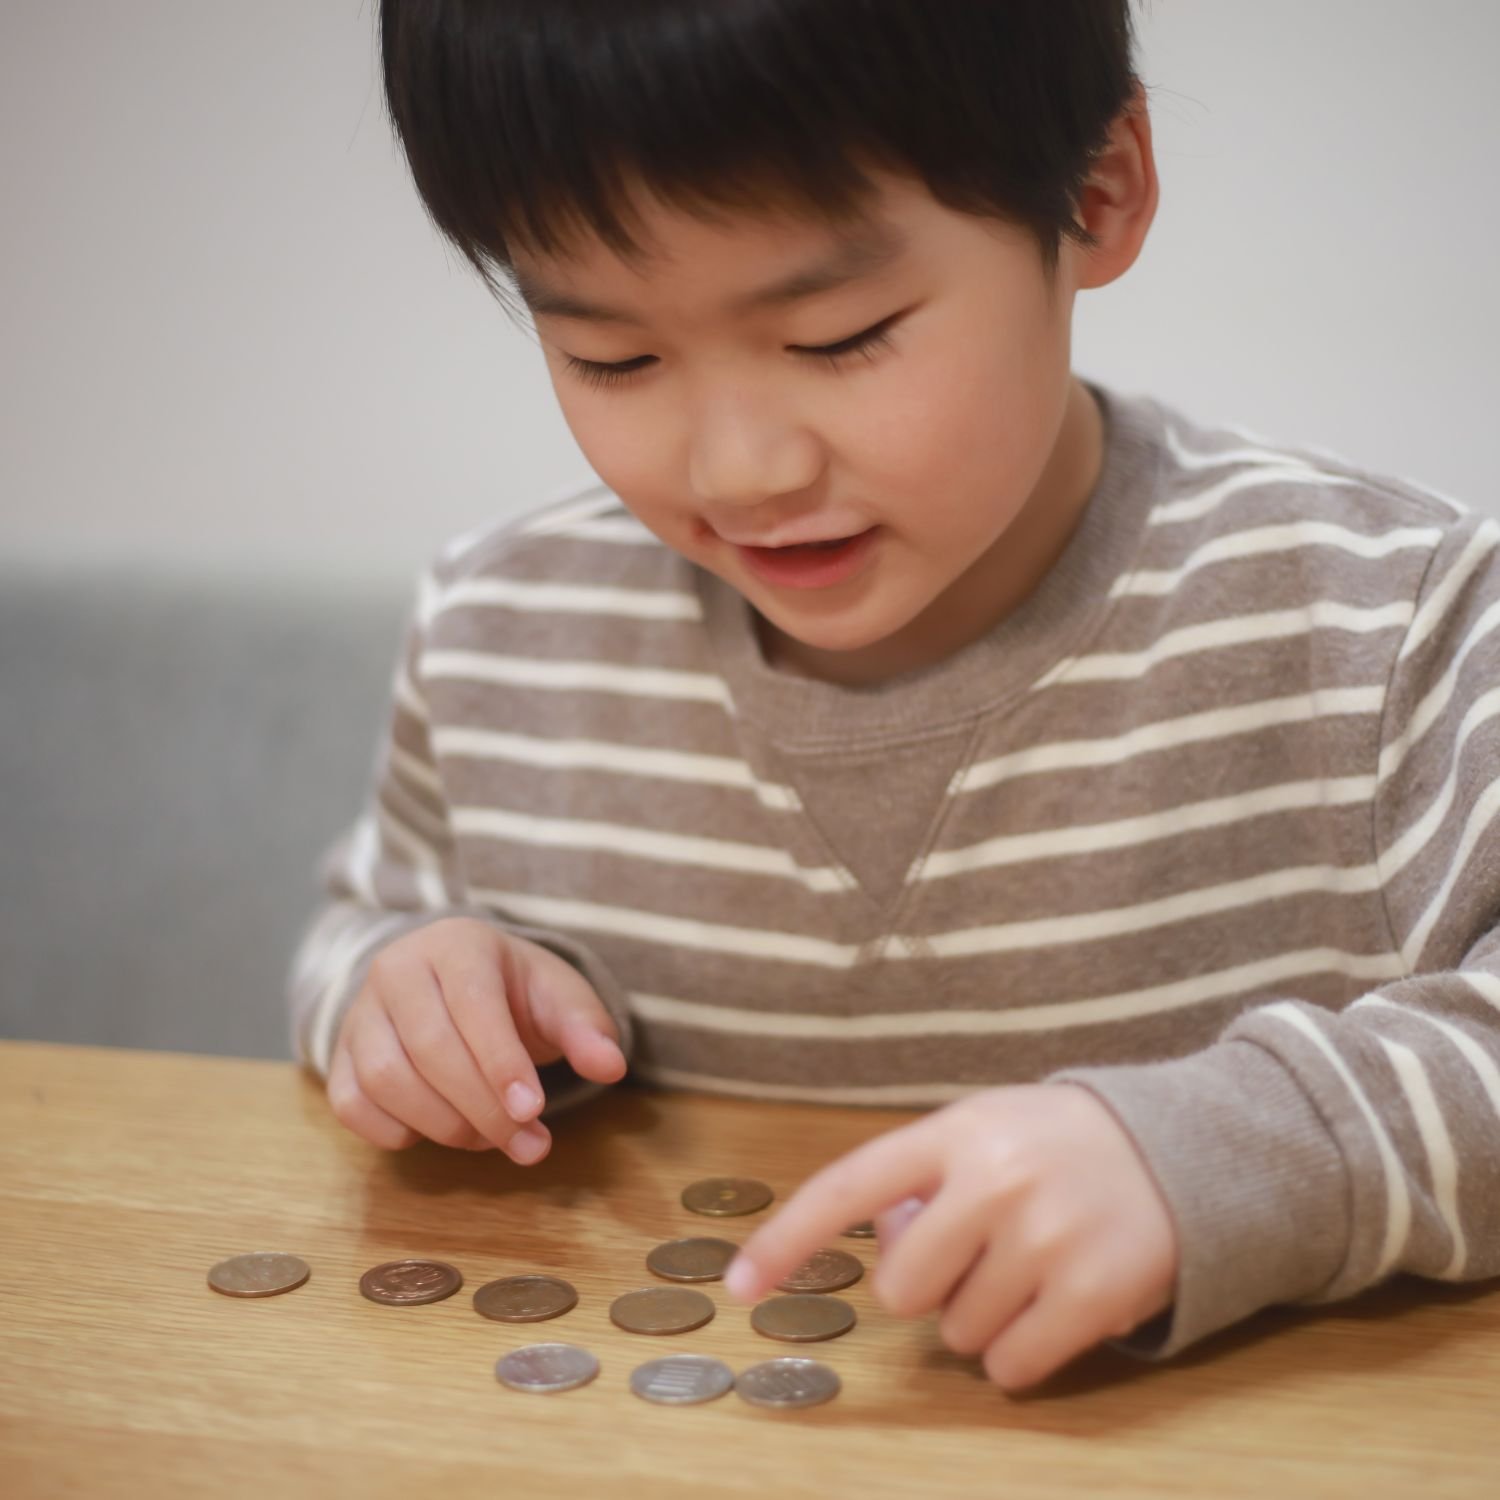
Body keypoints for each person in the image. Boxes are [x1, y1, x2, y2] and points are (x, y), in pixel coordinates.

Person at [286, 0, 1500, 1391]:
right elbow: (361, 930)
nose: (742, 469)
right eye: (612, 358)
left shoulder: (1380, 616)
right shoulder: (503, 633)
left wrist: (1228, 1158)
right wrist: (411, 996)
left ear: (1099, 192)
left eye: (842, 334)